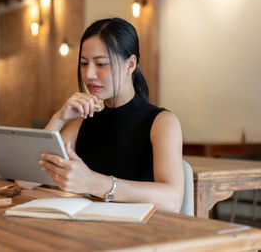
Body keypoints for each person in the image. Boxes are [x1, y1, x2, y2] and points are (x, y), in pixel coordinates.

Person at [19, 18, 184, 213]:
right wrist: (59, 118)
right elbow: (25, 180)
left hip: (140, 233)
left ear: (130, 64)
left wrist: (93, 183)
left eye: (101, 64)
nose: (88, 74)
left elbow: (172, 200)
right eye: (83, 63)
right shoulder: (83, 121)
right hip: (90, 230)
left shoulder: (161, 122)